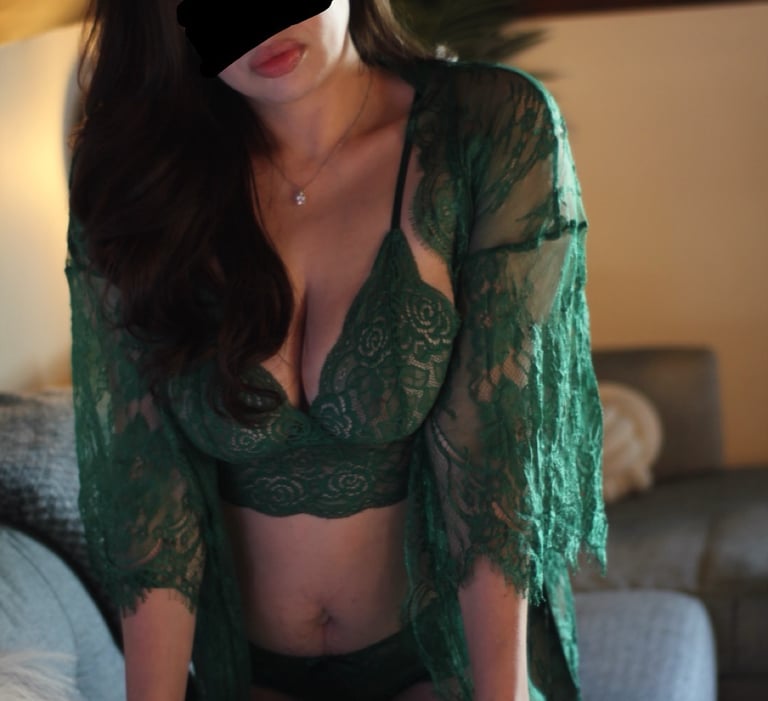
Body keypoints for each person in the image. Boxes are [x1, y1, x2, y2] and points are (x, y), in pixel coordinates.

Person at [66, 1, 607, 699]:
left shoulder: (485, 126)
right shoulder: (138, 183)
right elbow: (147, 490)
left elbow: (498, 452)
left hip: (435, 663)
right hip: (249, 677)